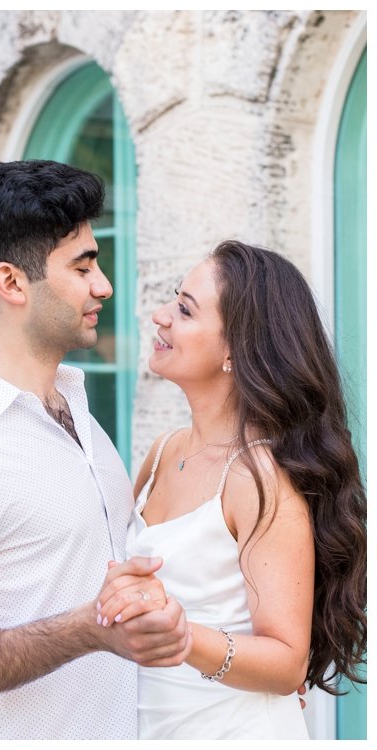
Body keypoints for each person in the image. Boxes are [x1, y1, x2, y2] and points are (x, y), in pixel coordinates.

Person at [0, 159, 192, 740]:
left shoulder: (80, 413)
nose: (104, 285)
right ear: (12, 283)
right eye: (83, 266)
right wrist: (86, 631)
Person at [94, 240, 366, 739]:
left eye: (184, 309)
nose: (160, 316)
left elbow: (287, 663)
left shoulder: (257, 478)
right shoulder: (162, 452)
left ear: (236, 350)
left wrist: (181, 635)